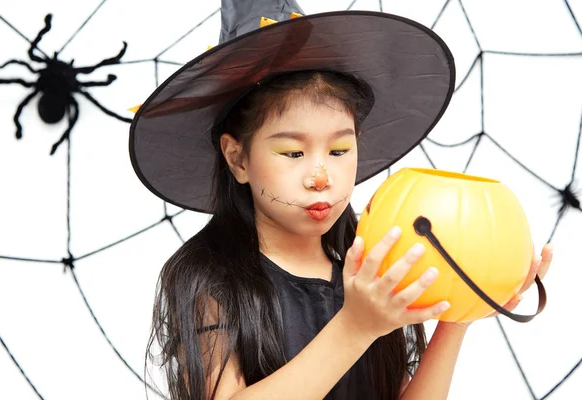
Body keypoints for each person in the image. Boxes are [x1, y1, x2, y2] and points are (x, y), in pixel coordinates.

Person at [128, 2, 553, 399]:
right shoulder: (210, 277)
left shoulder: (368, 269)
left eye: (339, 151)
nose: (320, 177)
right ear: (238, 158)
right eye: (293, 153)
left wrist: (458, 315)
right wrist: (355, 327)